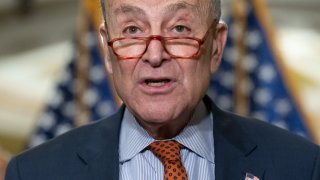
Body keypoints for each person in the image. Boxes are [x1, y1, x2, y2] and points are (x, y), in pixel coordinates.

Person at [5, 0, 320, 179]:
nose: (155, 55)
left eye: (179, 29)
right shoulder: (35, 173)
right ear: (107, 50)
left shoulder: (299, 166)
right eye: (132, 30)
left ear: (216, 47)